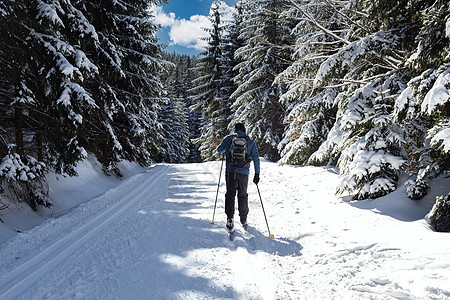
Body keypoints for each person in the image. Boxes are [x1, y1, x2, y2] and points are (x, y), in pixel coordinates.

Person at [217, 122, 260, 231]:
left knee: (230, 194)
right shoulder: (250, 142)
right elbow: (256, 158)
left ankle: (230, 218)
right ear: (244, 130)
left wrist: (225, 146)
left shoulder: (229, 139)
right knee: (243, 195)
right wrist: (257, 174)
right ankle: (243, 219)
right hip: (244, 173)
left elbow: (219, 150)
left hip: (230, 172)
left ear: (235, 130)